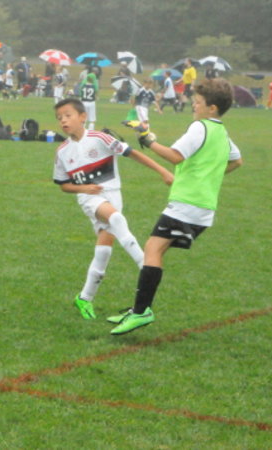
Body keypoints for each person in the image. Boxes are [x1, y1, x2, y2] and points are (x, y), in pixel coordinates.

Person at [110, 78, 243, 335]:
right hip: (203, 207)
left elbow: (175, 156)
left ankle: (141, 312)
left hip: (187, 205)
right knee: (155, 250)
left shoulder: (200, 127)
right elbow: (237, 161)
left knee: (152, 249)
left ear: (212, 108)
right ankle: (139, 309)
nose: (194, 105)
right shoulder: (222, 133)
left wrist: (147, 140)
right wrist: (207, 177)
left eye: (198, 102)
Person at [53, 98, 173, 320]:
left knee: (104, 251)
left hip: (114, 194)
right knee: (116, 219)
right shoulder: (62, 151)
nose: (63, 121)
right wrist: (83, 188)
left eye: (68, 115)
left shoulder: (100, 138)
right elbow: (63, 185)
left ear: (83, 117)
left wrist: (163, 171)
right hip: (90, 198)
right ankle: (145, 264)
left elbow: (133, 153)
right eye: (59, 118)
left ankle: (85, 297)